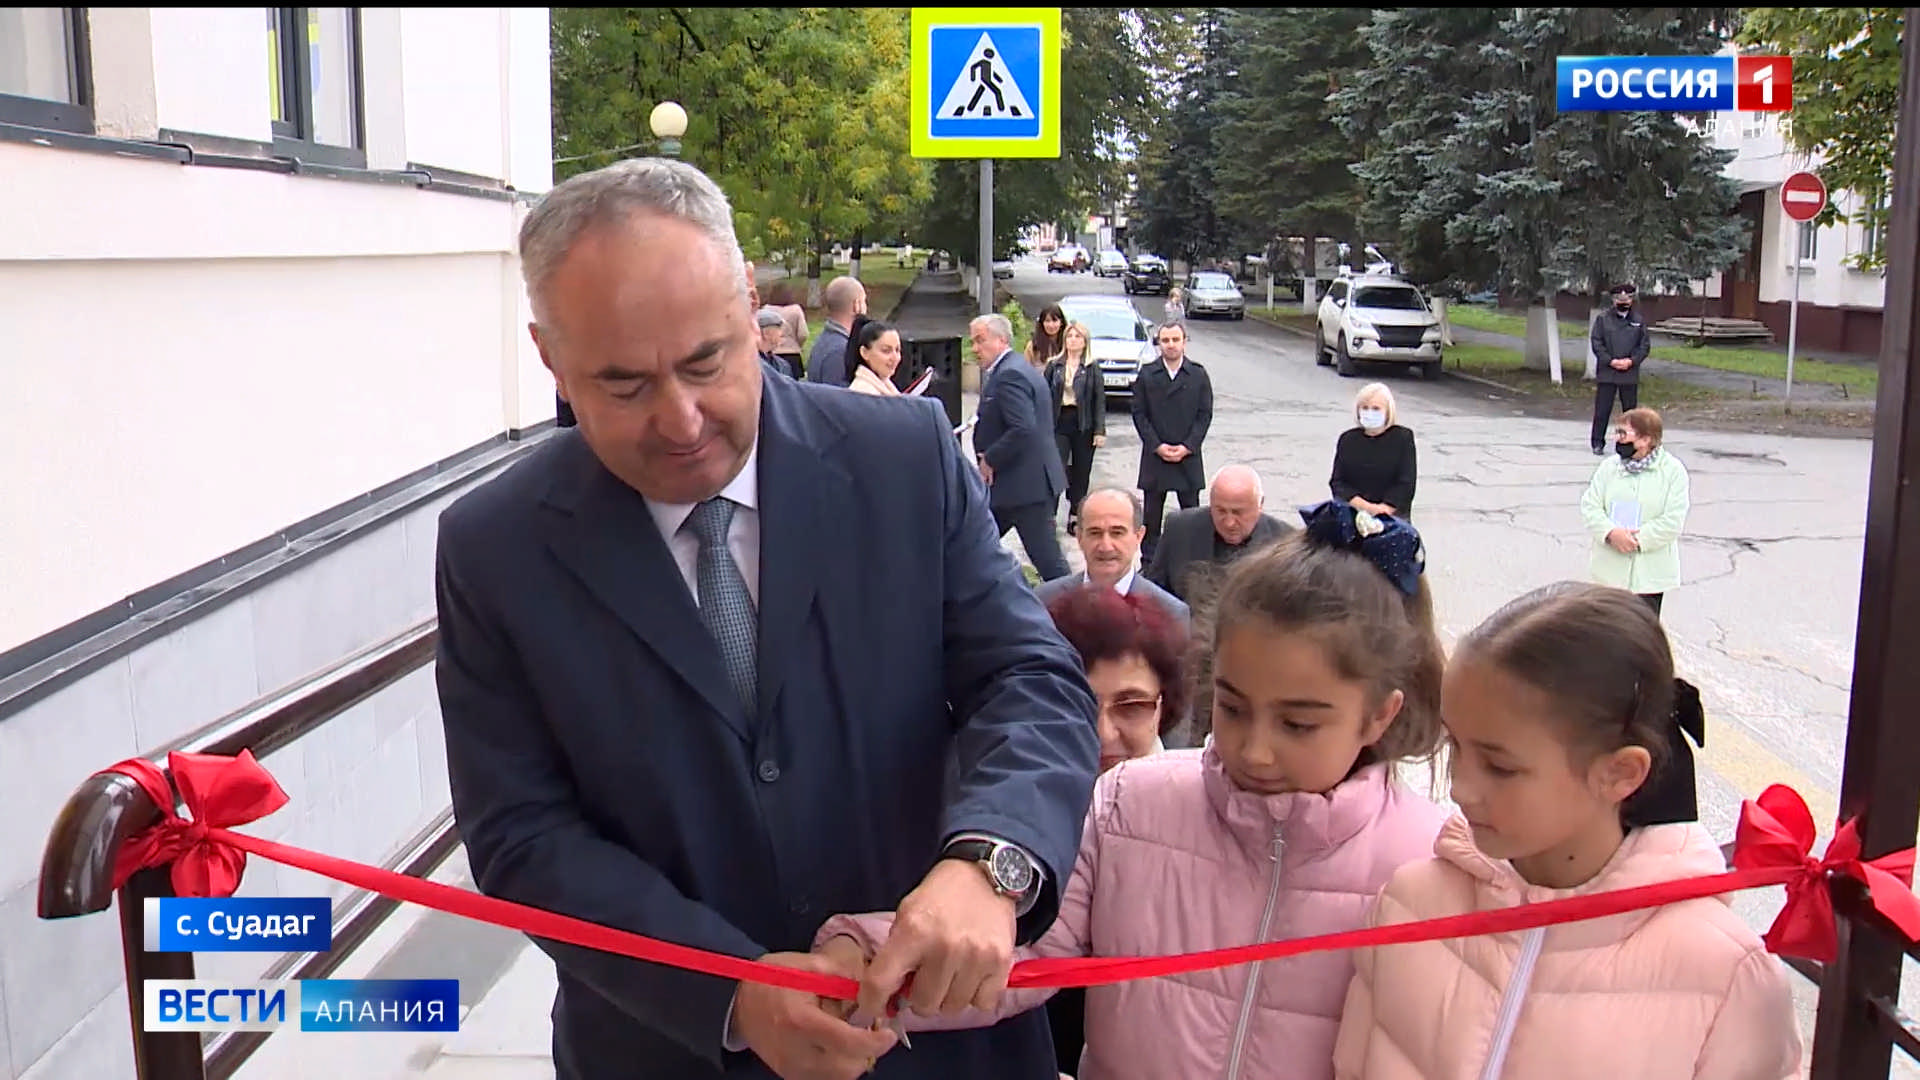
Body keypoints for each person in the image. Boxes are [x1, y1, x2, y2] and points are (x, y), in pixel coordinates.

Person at [434, 157, 1100, 1080]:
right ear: (548, 355)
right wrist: (727, 991)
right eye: (623, 386)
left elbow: (1029, 680)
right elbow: (522, 834)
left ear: (752, 307)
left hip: (942, 1047)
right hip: (663, 1051)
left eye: (707, 361)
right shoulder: (493, 547)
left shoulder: (903, 459)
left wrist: (991, 863)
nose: (681, 420)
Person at [818, 502, 1451, 1080]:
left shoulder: (1430, 869)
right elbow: (1023, 949)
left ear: (1379, 715)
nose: (1255, 750)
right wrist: (861, 960)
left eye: (1298, 723)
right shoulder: (1130, 806)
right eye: (1231, 708)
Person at [1332, 582, 1797, 1079]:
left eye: (1500, 767)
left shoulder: (1725, 977)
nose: (1462, 788)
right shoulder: (1409, 904)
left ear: (1618, 774)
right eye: (1456, 747)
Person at [1036, 582, 1190, 1074]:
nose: (1104, 732)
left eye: (1131, 705)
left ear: (1165, 705)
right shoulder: (1011, 807)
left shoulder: (1200, 819)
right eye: (1080, 704)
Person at [971, 313, 1072, 582]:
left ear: (1001, 339)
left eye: (980, 341)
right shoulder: (1012, 368)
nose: (975, 349)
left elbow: (1023, 428)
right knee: (970, 546)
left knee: (1050, 564)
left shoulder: (1010, 374)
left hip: (1026, 488)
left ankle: (1079, 613)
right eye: (973, 342)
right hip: (1012, 486)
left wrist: (990, 459)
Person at [1579, 407, 1690, 617]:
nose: (1617, 439)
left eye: (1623, 434)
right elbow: (1590, 506)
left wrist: (1637, 541)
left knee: (1639, 639)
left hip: (1650, 576)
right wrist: (1611, 533)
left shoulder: (1673, 472)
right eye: (1617, 432)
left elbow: (1672, 520)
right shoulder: (1608, 468)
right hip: (1609, 573)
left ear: (1646, 440)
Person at [1035, 488, 1189, 632]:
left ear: (1138, 537)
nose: (1106, 546)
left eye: (1117, 533)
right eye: (1095, 533)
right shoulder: (1045, 602)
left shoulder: (1170, 614)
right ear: (1079, 537)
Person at [1145, 465, 1292, 605]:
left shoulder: (1285, 543)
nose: (1229, 523)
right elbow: (1154, 594)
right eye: (1220, 511)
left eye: (1238, 513)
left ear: (1260, 505)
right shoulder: (1179, 529)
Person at [1132, 321, 1212, 561]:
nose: (1171, 345)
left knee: (1192, 516)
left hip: (1188, 457)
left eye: (1175, 340)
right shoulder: (1147, 374)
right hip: (1156, 456)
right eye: (1165, 340)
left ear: (1184, 342)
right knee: (1152, 517)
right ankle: (1149, 563)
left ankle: (1194, 562)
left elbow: (1204, 414)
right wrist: (1157, 446)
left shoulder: (1198, 374)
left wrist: (1188, 446)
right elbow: (1139, 414)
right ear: (1159, 344)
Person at [1046, 320, 1105, 533]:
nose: (1073, 340)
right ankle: (1049, 516)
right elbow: (1044, 395)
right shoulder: (1055, 365)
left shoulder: (1091, 367)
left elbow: (1099, 401)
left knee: (1081, 471)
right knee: (1056, 467)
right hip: (1059, 421)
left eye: (1077, 337)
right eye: (1070, 336)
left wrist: (1099, 431)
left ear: (1085, 341)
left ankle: (1075, 515)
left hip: (1083, 423)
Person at [1330, 383, 1417, 521]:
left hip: (1392, 518)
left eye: (1376, 408)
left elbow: (1406, 483)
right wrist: (1365, 507)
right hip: (1354, 514)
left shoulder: (1403, 438)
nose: (1370, 412)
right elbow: (1338, 482)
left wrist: (1384, 509)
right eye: (1365, 408)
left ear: (1388, 411)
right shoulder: (1348, 440)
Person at [1589, 282, 1650, 455]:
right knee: (1602, 410)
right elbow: (1597, 343)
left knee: (1630, 413)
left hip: (1629, 373)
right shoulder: (1603, 319)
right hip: (1608, 372)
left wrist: (1631, 361)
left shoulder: (1638, 320)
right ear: (1613, 300)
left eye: (1627, 298)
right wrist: (1610, 361)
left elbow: (1644, 346)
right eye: (1619, 298)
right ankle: (1597, 443)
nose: (1623, 301)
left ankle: (1627, 444)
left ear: (1632, 300)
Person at [808, 275, 867, 387]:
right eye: (864, 301)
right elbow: (840, 399)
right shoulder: (841, 351)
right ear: (857, 305)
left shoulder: (823, 341)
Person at [844, 316, 905, 397]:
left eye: (897, 350)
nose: (895, 358)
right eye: (886, 351)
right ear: (864, 352)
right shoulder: (863, 394)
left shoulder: (885, 385)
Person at [765, 281, 809, 378]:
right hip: (792, 354)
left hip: (772, 353)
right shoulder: (796, 310)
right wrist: (798, 344)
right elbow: (803, 334)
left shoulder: (767, 310)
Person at [1026, 303, 1067, 370]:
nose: (1051, 325)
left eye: (1055, 320)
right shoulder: (1033, 346)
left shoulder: (1068, 343)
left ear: (1061, 322)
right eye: (1047, 321)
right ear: (1042, 323)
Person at [755, 308, 794, 378]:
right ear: (766, 333)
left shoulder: (782, 365)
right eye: (778, 328)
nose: (782, 333)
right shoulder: (750, 365)